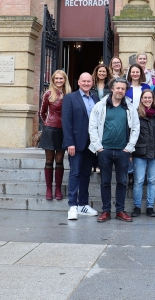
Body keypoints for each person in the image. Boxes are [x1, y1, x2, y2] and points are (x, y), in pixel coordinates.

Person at [89, 77, 140, 222]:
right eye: (118, 88)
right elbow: (92, 126)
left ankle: (120, 210)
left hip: (122, 151)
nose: (120, 91)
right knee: (105, 181)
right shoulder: (101, 105)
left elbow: (136, 127)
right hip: (104, 150)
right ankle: (106, 211)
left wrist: (129, 147)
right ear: (112, 88)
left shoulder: (129, 107)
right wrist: (98, 147)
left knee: (122, 182)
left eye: (123, 89)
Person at [62, 72, 100, 220]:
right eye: (83, 81)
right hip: (76, 144)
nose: (86, 83)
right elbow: (66, 122)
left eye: (88, 81)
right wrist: (69, 142)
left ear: (92, 83)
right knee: (75, 173)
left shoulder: (96, 98)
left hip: (92, 144)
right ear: (78, 82)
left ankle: (83, 204)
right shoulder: (70, 98)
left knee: (86, 174)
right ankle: (72, 205)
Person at [39, 69, 71, 201]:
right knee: (49, 160)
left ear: (65, 80)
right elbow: (42, 112)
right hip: (50, 130)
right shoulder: (48, 94)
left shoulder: (69, 94)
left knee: (59, 161)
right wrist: (47, 123)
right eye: (56, 78)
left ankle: (57, 188)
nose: (58, 81)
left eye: (61, 78)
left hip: (63, 131)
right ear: (53, 80)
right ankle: (48, 189)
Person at [131, 89, 155, 217]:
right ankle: (137, 207)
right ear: (141, 99)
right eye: (145, 97)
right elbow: (132, 131)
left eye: (150, 97)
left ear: (153, 99)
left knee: (151, 180)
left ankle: (150, 207)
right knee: (138, 180)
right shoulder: (136, 114)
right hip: (140, 150)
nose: (147, 100)